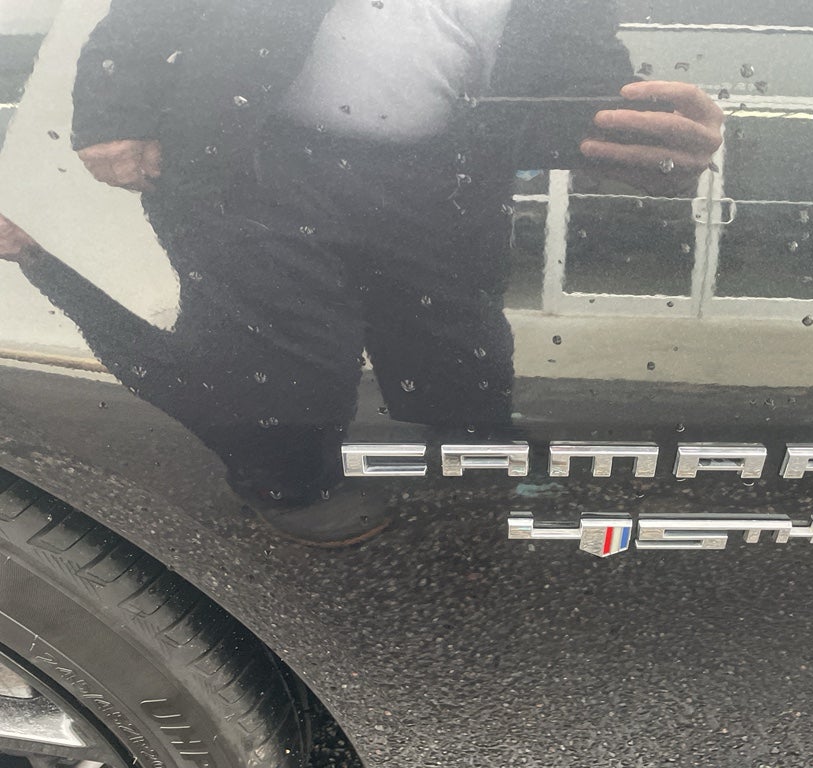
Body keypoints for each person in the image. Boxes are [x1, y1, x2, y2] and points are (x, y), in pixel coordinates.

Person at [2, 0, 723, 546]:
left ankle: (472, 460)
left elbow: (576, 78)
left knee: (457, 329)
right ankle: (290, 485)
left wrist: (641, 137)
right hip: (253, 157)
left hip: (445, 172)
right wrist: (109, 112)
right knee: (288, 343)